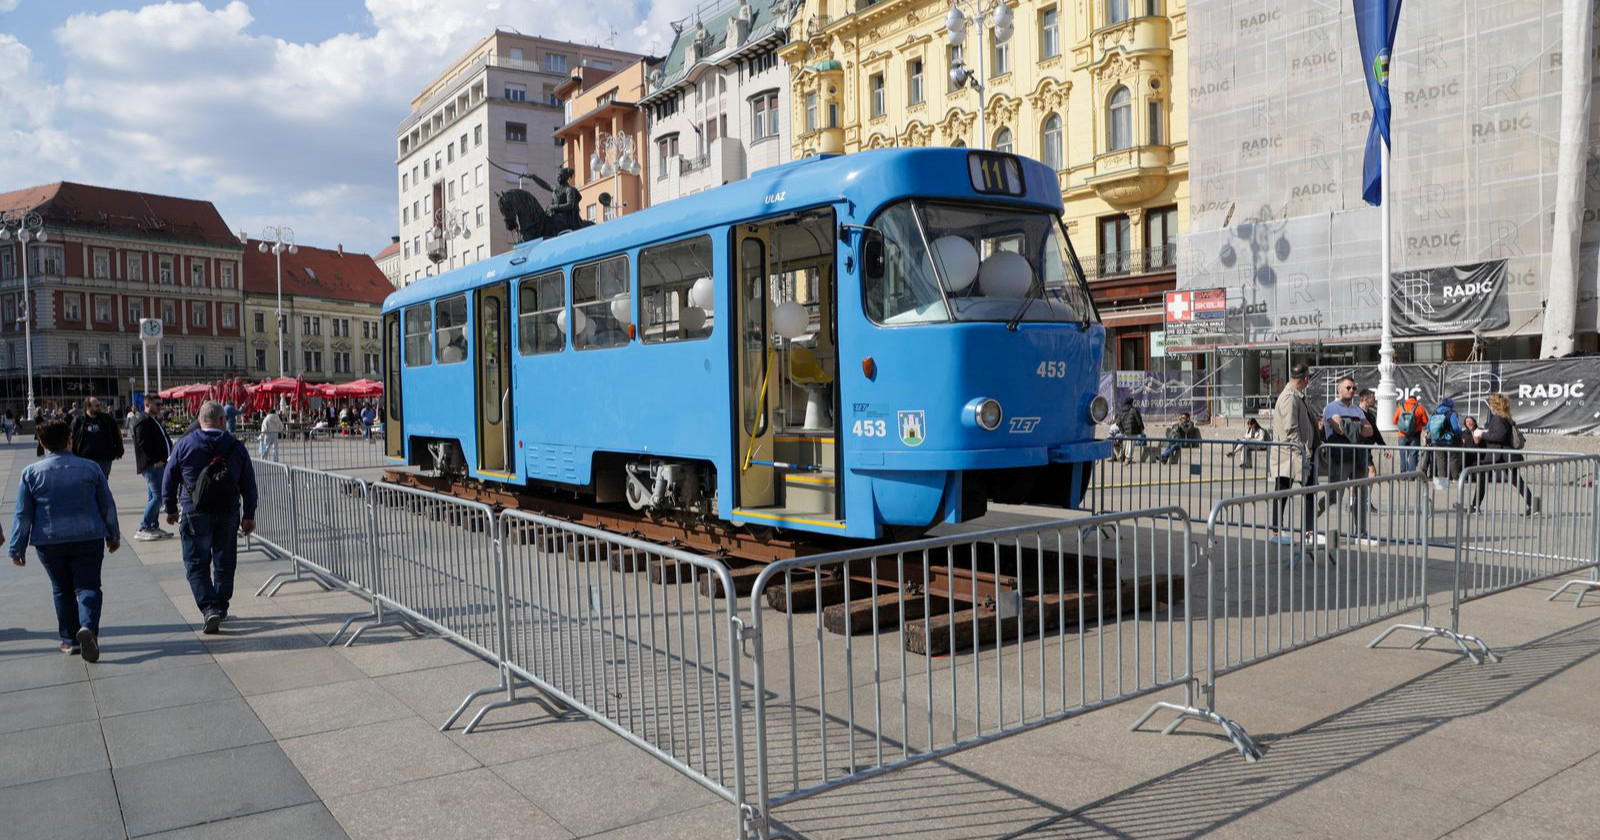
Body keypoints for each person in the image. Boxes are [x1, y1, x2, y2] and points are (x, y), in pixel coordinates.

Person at [9, 419, 121, 660]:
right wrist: (113, 535)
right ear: (70, 437)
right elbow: (107, 506)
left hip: (49, 540)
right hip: (88, 535)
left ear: (42, 442)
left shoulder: (31, 473)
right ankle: (88, 628)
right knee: (89, 586)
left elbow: (23, 514)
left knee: (62, 589)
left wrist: (17, 547)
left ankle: (70, 641)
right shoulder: (91, 468)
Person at [163, 401, 258, 633]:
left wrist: (170, 508)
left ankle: (209, 608)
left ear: (199, 419)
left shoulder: (184, 444)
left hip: (195, 511)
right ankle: (220, 605)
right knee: (225, 561)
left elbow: (169, 477)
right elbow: (248, 483)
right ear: (222, 420)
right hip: (228, 511)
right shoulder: (235, 446)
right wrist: (249, 514)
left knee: (196, 563)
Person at [1270, 363, 1320, 548]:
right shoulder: (1289, 397)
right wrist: (1303, 452)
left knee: (1305, 492)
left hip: (1295, 454)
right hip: (1291, 455)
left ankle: (1305, 530)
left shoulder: (1296, 396)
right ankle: (1278, 530)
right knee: (1285, 491)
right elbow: (1291, 429)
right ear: (1306, 378)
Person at [1473, 393, 1541, 516]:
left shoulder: (1499, 418)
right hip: (1504, 455)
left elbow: (1499, 436)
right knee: (1515, 480)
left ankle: (1475, 506)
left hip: (1500, 455)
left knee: (1486, 477)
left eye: (1491, 404)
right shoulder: (1506, 417)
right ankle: (1533, 505)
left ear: (1495, 405)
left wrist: (1483, 434)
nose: (1489, 407)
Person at [131, 398, 173, 541]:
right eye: (158, 404)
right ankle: (144, 526)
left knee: (153, 497)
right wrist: (154, 461)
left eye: (161, 404)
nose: (160, 407)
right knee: (158, 497)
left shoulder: (153, 420)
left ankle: (153, 525)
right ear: (147, 405)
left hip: (159, 464)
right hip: (152, 466)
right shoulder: (143, 421)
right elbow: (142, 444)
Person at [69, 397, 125, 478]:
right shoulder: (78, 421)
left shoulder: (107, 419)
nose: (99, 408)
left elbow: (117, 435)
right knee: (87, 484)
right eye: (96, 406)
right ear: (88, 407)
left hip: (104, 460)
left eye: (99, 405)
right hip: (85, 460)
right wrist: (72, 455)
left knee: (102, 483)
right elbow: (72, 438)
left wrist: (119, 451)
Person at [1427, 398, 1467, 490]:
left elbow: (1428, 426)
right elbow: (1456, 427)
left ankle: (1442, 481)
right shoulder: (1452, 413)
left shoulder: (1435, 412)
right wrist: (1460, 433)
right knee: (1453, 459)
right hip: (1450, 440)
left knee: (1440, 460)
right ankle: (1455, 478)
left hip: (1436, 440)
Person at [1393, 394, 1428, 473]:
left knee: (1402, 455)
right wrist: (1417, 424)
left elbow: (1394, 421)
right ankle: (1411, 475)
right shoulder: (1420, 408)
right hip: (1415, 435)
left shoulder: (1400, 408)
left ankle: (1403, 474)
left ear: (1408, 399)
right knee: (1413, 454)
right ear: (1416, 400)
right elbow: (1425, 422)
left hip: (1402, 435)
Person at [1113, 398, 1146, 464]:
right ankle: (1127, 459)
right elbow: (1139, 420)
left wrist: (1122, 430)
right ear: (1131, 403)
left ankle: (1127, 458)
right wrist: (1142, 428)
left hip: (1126, 431)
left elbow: (1117, 422)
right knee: (1131, 444)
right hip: (1134, 430)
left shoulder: (1122, 411)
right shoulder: (1134, 410)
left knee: (1128, 443)